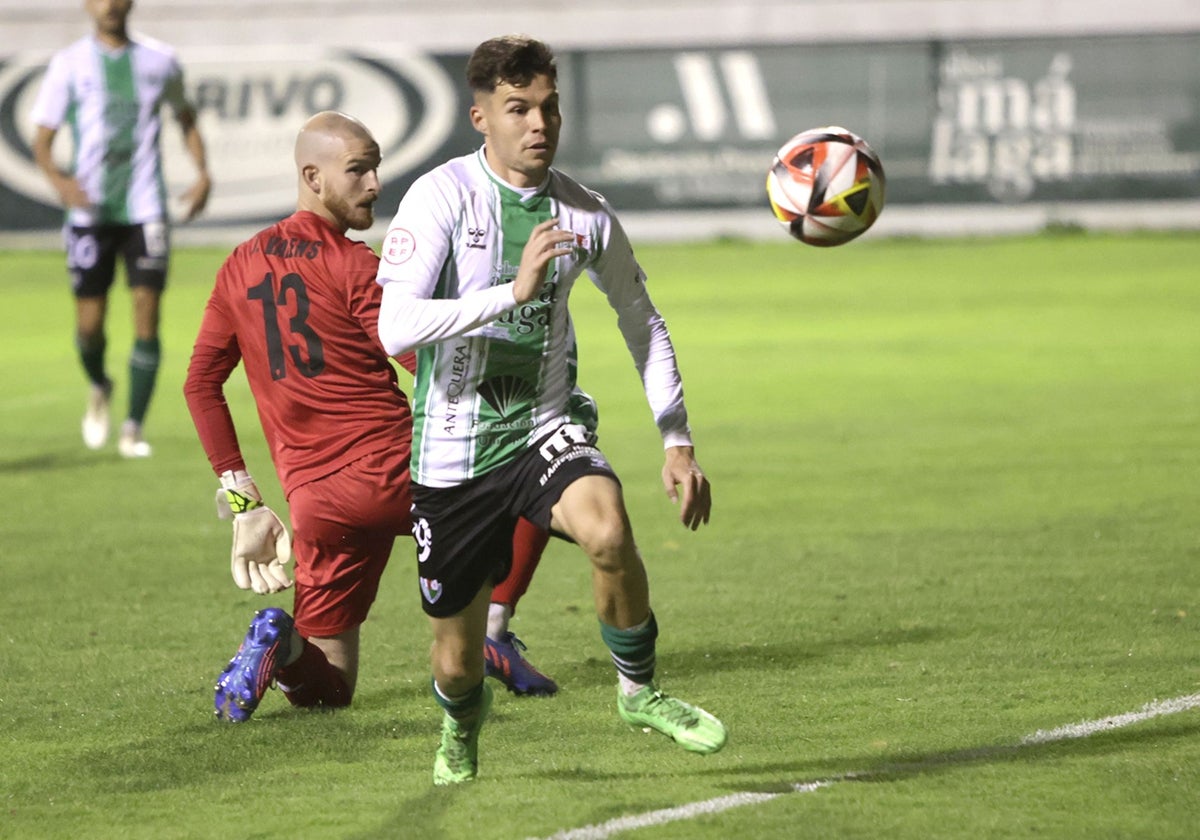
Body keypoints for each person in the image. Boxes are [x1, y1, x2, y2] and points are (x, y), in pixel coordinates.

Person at [376, 35, 727, 785]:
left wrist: (677, 439)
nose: (540, 124)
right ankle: (460, 728)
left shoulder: (585, 213)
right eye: (518, 109)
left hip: (544, 426)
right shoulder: (440, 197)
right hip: (451, 454)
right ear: (480, 117)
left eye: (548, 107)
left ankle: (639, 692)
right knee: (458, 661)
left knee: (609, 530)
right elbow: (394, 326)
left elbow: (643, 319)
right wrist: (511, 293)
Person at [183, 111, 555, 724]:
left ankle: (284, 641)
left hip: (315, 503)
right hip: (392, 470)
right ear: (313, 176)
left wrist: (243, 497)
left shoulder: (238, 265)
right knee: (543, 469)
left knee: (329, 688)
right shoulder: (353, 265)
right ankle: (493, 631)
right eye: (358, 169)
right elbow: (423, 361)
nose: (376, 183)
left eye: (376, 166)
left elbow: (200, 384)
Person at [31, 0, 211, 458]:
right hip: (90, 213)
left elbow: (185, 115)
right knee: (89, 327)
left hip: (145, 209)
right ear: (87, 5)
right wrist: (60, 182)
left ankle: (132, 428)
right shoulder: (69, 64)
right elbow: (43, 138)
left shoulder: (160, 60)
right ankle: (100, 383)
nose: (110, 4)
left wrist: (203, 172)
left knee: (147, 311)